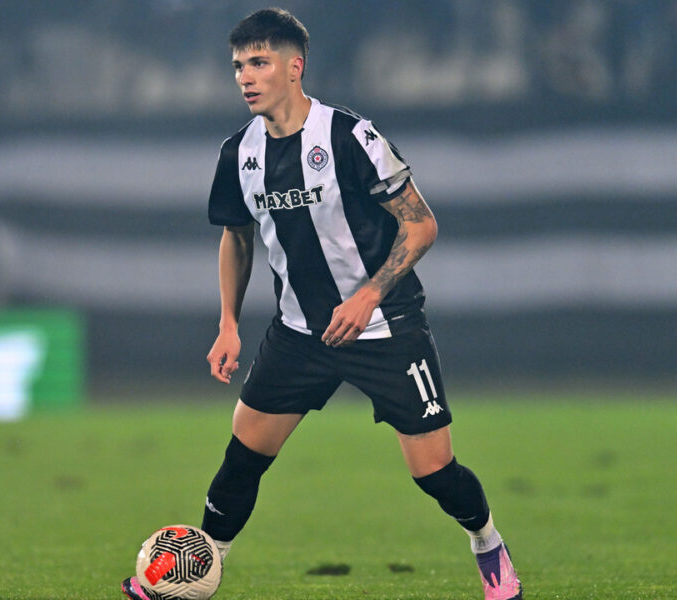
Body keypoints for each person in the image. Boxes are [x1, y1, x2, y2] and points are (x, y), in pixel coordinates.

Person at [122, 8, 522, 600]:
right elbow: (236, 237)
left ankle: (487, 542)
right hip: (299, 335)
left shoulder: (350, 137)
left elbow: (421, 225)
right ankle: (194, 570)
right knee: (243, 456)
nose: (245, 77)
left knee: (434, 472)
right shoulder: (238, 154)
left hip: (387, 327)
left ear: (294, 67)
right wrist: (229, 322)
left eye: (258, 63)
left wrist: (368, 295)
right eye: (237, 66)